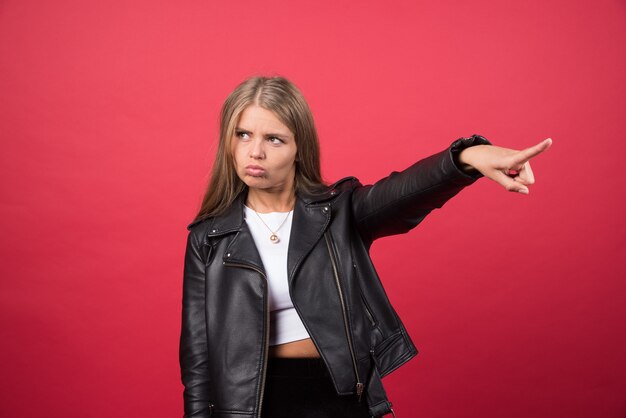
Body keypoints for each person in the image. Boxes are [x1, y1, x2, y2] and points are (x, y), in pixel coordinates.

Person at [179, 76, 552, 418]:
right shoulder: (208, 238)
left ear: (298, 147)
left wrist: (467, 158)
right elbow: (198, 359)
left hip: (338, 397)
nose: (254, 151)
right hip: (250, 405)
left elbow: (405, 192)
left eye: (273, 138)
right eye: (243, 134)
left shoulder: (339, 212)